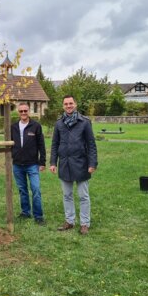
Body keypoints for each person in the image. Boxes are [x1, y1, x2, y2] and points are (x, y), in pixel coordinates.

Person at [49, 95, 98, 235]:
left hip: (81, 163)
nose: (68, 106)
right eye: (66, 104)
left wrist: (92, 163)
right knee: (67, 195)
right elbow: (54, 144)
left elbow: (91, 145)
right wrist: (53, 162)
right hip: (64, 164)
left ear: (75, 104)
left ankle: (84, 223)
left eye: (71, 103)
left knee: (83, 196)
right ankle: (69, 221)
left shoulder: (85, 122)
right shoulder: (59, 124)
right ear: (63, 106)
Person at [11, 102, 46, 225]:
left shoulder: (35, 126)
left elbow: (41, 145)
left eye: (25, 111)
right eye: (21, 111)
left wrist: (42, 162)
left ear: (29, 111)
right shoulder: (13, 127)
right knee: (22, 190)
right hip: (17, 165)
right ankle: (25, 212)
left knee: (36, 189)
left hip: (32, 164)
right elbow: (9, 144)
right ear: (18, 112)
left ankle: (38, 215)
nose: (23, 113)